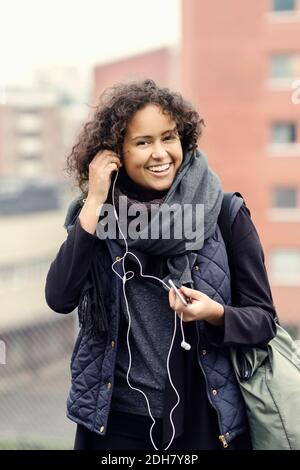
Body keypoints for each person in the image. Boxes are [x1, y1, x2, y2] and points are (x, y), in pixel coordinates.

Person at [45, 78, 277, 451]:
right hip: (114, 422)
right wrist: (94, 201)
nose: (160, 153)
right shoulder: (102, 221)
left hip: (203, 420)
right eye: (142, 142)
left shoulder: (225, 214)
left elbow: (264, 321)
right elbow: (59, 296)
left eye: (168, 137)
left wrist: (215, 313)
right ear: (115, 152)